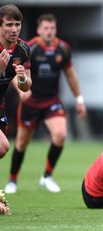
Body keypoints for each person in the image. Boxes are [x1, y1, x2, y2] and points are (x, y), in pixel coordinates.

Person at [4, 13, 87, 194]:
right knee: (21, 143)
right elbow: (13, 75)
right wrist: (21, 91)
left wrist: (79, 99)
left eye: (52, 28)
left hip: (52, 101)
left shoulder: (63, 48)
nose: (49, 32)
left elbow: (70, 75)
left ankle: (47, 176)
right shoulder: (29, 48)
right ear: (39, 30)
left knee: (60, 134)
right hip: (30, 101)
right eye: (46, 28)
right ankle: (12, 180)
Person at [0, 3, 31, 215]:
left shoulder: (22, 49)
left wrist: (21, 77)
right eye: (9, 24)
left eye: (17, 24)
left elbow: (26, 86)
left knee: (2, 148)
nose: (14, 29)